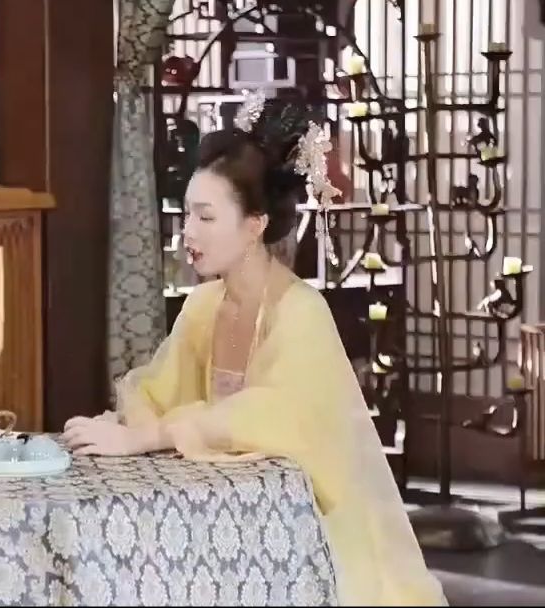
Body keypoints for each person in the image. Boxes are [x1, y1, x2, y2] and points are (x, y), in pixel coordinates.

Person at [63, 99, 446, 605]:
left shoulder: (301, 311)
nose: (188, 232)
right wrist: (126, 428)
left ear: (255, 224)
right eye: (187, 214)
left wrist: (151, 435)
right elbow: (157, 392)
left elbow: (278, 416)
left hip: (308, 534)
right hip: (228, 521)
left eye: (206, 217)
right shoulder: (203, 306)